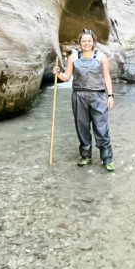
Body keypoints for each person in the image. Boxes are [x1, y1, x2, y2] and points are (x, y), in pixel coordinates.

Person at [54, 29, 115, 170]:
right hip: (79, 96)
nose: (86, 43)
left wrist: (110, 95)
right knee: (82, 127)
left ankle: (107, 159)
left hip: (98, 96)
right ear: (80, 43)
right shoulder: (73, 58)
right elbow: (66, 77)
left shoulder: (101, 57)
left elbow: (106, 77)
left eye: (89, 41)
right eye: (83, 41)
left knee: (101, 127)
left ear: (93, 42)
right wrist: (58, 74)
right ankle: (86, 156)